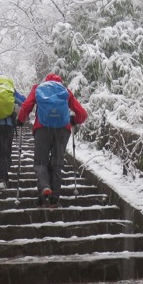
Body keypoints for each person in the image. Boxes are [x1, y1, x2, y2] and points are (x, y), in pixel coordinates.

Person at [17, 73, 87, 207]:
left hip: (42, 129)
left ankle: (44, 187)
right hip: (62, 130)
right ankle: (55, 198)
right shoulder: (65, 91)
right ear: (60, 82)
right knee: (57, 163)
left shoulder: (38, 88)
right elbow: (82, 114)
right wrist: (74, 120)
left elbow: (26, 106)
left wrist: (20, 120)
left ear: (45, 81)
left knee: (40, 162)